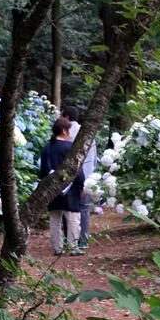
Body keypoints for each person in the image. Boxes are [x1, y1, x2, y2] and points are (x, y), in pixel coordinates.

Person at [40, 117, 85, 256]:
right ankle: (73, 247)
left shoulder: (47, 148)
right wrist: (82, 185)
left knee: (54, 219)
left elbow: (42, 170)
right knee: (72, 219)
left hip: (51, 188)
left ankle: (57, 248)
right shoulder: (70, 147)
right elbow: (77, 170)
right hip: (69, 189)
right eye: (69, 130)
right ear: (64, 131)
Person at [61, 104, 97, 249]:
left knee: (67, 208)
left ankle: (69, 238)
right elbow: (92, 159)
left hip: (68, 178)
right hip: (86, 176)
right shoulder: (88, 133)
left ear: (67, 117)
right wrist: (87, 181)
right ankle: (82, 240)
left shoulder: (64, 133)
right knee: (83, 209)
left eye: (60, 115)